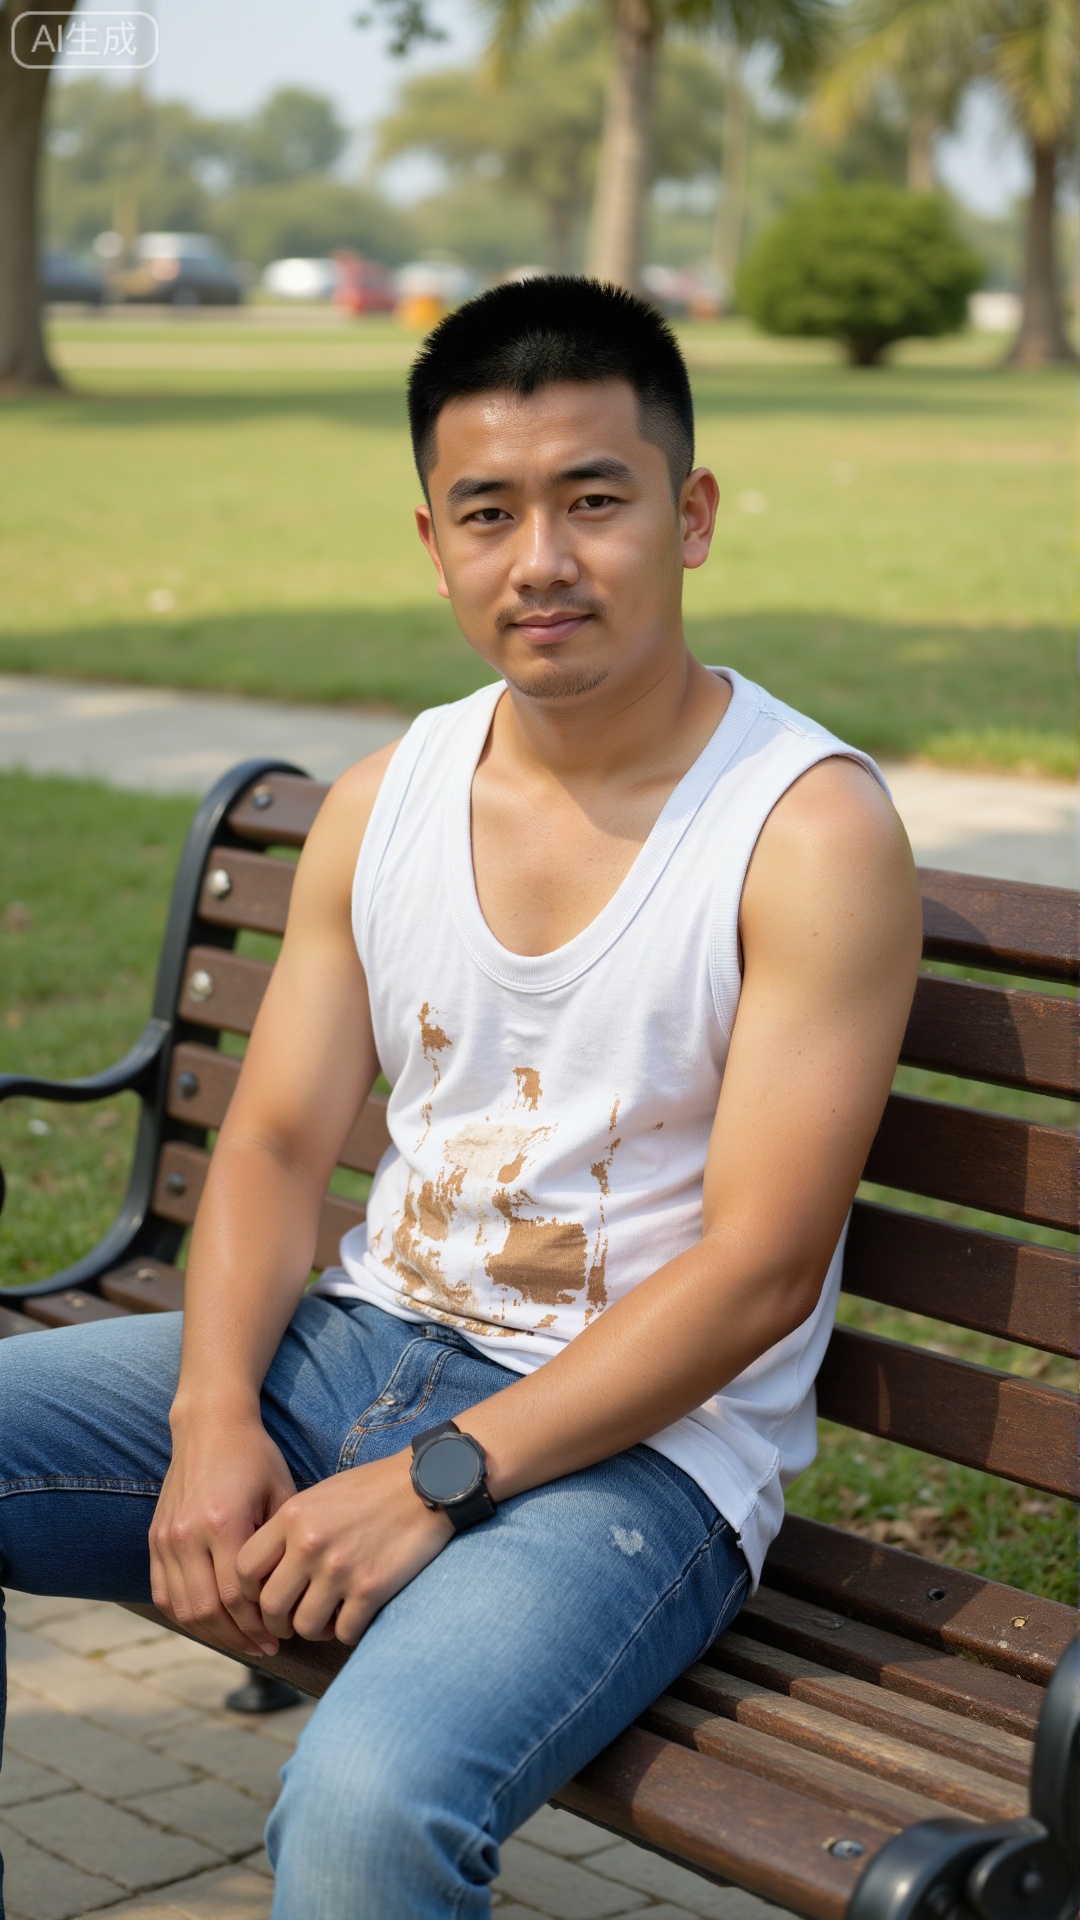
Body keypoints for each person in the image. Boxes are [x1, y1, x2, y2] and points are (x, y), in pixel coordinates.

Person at [0, 277, 922, 1920]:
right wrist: (214, 1418)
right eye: (489, 512)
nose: (541, 560)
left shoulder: (805, 832)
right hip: (347, 1352)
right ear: (432, 539)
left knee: (363, 1808)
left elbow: (760, 1268)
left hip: (636, 1458)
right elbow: (279, 1140)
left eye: (594, 500)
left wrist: (434, 1482)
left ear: (690, 514)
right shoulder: (388, 797)